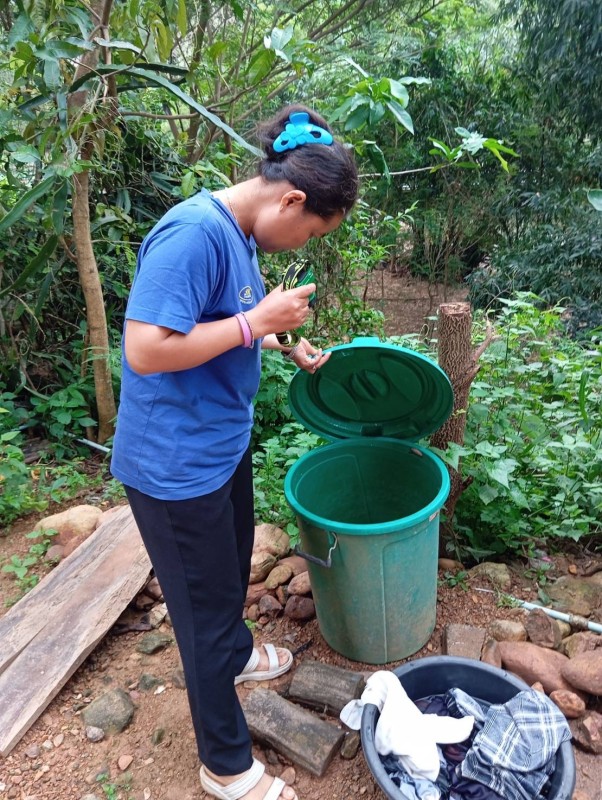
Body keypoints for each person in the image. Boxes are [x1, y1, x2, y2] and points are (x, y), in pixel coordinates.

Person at [110, 104, 359, 800]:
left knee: (227, 577)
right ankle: (224, 764)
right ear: (291, 198)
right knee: (200, 611)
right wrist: (257, 321)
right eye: (308, 230)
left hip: (218, 447)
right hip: (173, 465)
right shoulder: (193, 234)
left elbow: (224, 321)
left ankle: (240, 653)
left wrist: (284, 340)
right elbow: (146, 348)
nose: (297, 241)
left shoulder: (244, 232)